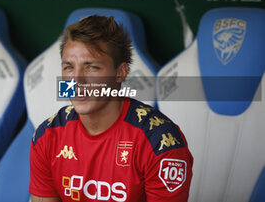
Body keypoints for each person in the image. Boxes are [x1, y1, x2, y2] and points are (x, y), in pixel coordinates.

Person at [29, 15, 193, 202]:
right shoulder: (47, 136)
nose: (77, 80)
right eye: (68, 67)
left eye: (91, 67)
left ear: (120, 72)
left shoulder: (160, 142)